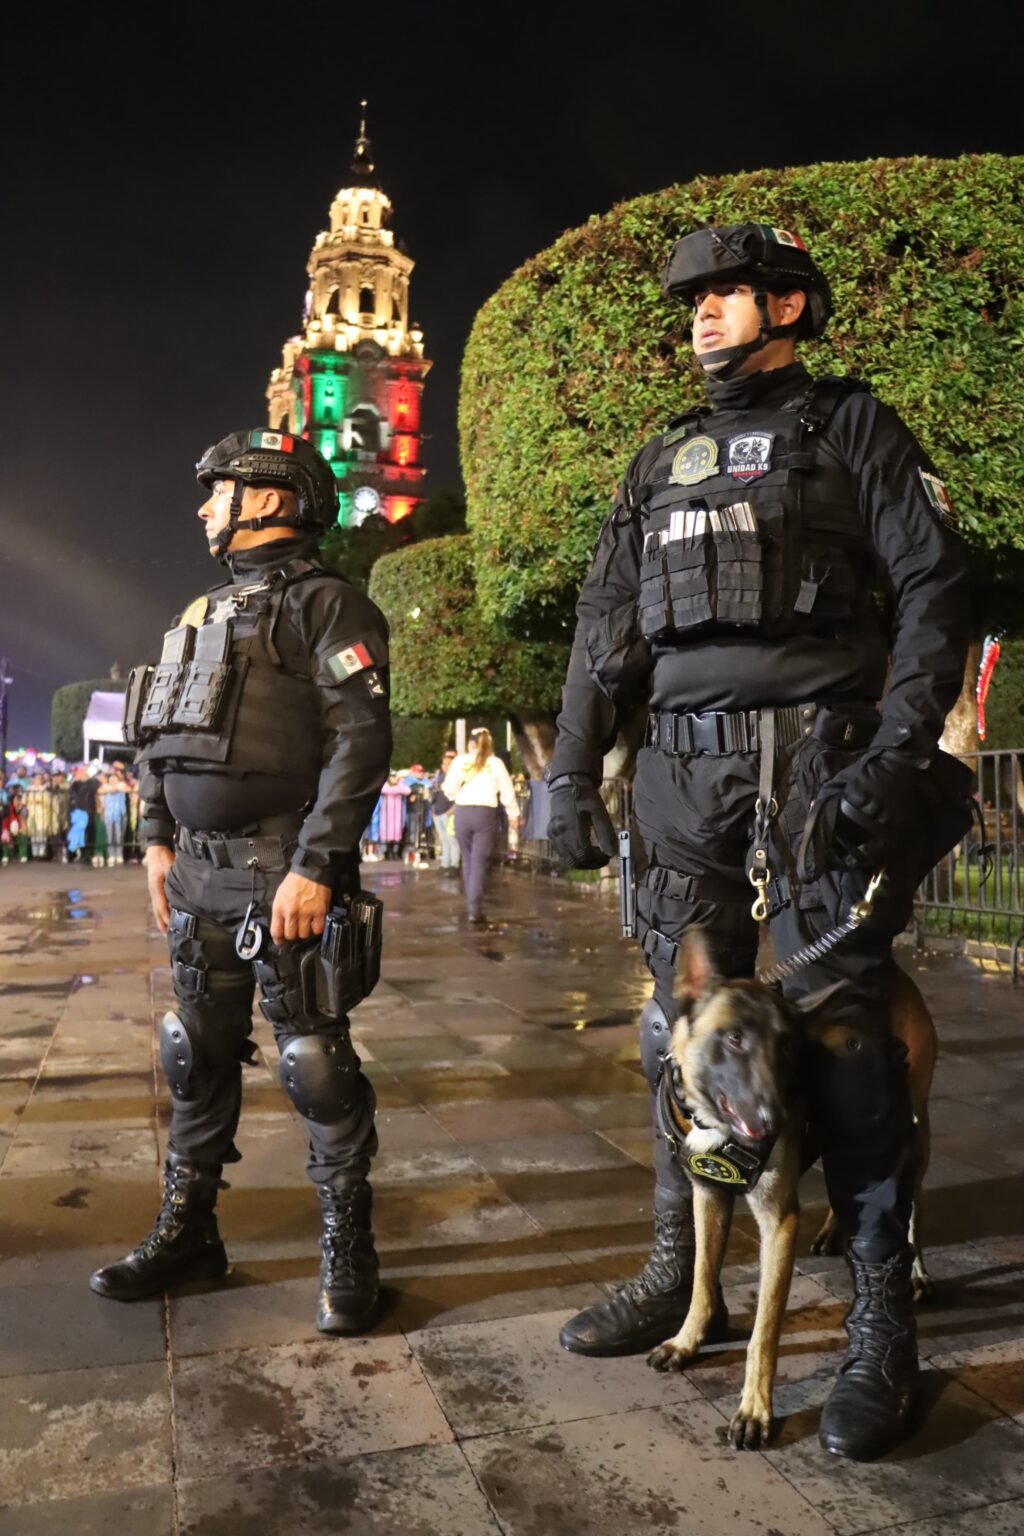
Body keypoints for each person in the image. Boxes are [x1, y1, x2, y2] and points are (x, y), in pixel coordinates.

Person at [545, 223, 971, 1461]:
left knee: (846, 1039)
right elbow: (604, 627)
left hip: (818, 764)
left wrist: (898, 750)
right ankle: (682, 1275)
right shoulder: (658, 460)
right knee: (670, 1030)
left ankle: (880, 1324)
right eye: (692, 298)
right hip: (680, 778)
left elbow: (935, 586)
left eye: (724, 293)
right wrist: (569, 769)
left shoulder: (852, 428)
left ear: (786, 306)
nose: (699, 313)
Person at [89, 429, 392, 1336]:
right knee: (194, 1054)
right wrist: (154, 839)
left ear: (265, 498)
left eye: (216, 490)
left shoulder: (329, 603)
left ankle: (350, 1252)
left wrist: (318, 865)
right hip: (197, 875)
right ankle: (190, 1233)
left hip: (281, 871)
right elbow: (160, 734)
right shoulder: (201, 611)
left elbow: (360, 741)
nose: (203, 507)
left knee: (315, 1062)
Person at [442, 728, 520, 925]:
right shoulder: (495, 763)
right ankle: (474, 909)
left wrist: (458, 795)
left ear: (470, 743)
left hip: (462, 812)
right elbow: (507, 791)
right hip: (485, 814)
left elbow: (448, 789)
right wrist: (513, 814)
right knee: (478, 862)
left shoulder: (460, 761)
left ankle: (472, 906)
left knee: (467, 860)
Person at [432, 749, 460, 876]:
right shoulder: (440, 777)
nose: (445, 766)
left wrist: (452, 810)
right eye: (444, 764)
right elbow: (435, 794)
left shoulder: (456, 779)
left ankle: (454, 864)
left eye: (448, 764)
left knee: (452, 840)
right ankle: (445, 863)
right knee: (444, 840)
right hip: (438, 812)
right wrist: (433, 809)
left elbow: (459, 796)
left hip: (448, 812)